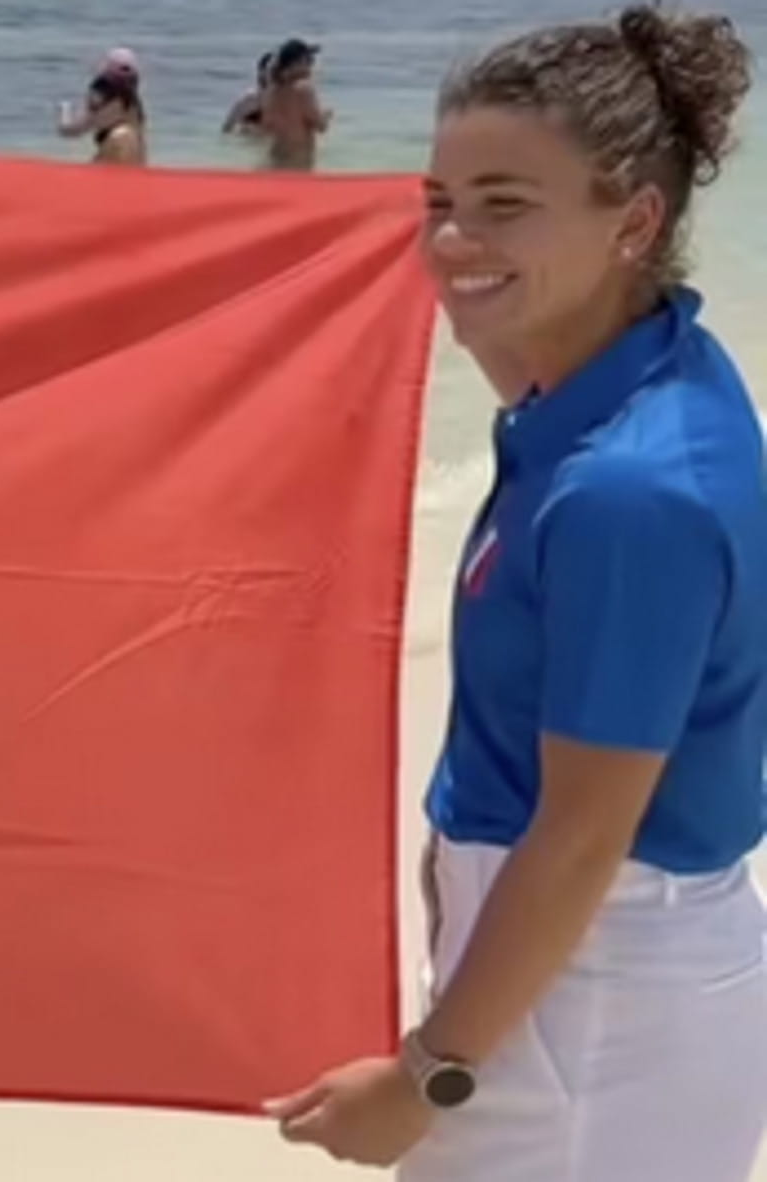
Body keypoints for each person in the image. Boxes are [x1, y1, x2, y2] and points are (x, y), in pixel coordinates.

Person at [267, 7, 765, 1180]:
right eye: (438, 201)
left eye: (504, 203)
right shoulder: (631, 369)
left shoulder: (630, 492)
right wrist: (481, 272)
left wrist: (428, 1075)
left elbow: (585, 836)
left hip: (591, 1011)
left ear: (635, 221)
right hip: (563, 984)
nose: (452, 238)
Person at [56, 49, 147, 165]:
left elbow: (72, 129)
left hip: (113, 145)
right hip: (134, 151)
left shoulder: (98, 95)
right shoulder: (135, 105)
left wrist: (63, 110)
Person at [258, 38, 330, 170]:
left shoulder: (271, 91)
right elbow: (321, 126)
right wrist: (326, 115)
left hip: (276, 156)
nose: (312, 66)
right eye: (309, 61)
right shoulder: (304, 89)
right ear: (296, 63)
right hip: (299, 160)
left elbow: (266, 127)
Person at [222, 52, 273, 137]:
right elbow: (227, 128)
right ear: (262, 72)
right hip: (248, 142)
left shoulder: (286, 99)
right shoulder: (250, 98)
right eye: (271, 70)